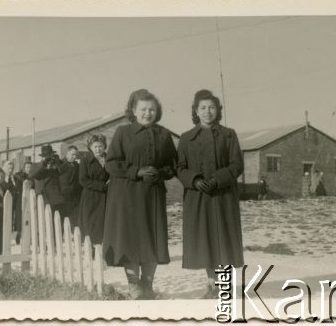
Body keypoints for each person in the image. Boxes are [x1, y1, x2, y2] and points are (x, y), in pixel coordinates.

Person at [103, 89, 177, 299]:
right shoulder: (122, 133)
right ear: (133, 110)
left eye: (152, 109)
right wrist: (136, 171)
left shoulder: (164, 135)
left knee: (152, 240)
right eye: (143, 109)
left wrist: (160, 172)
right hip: (127, 196)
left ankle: (148, 284)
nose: (148, 113)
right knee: (131, 240)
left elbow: (173, 165)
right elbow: (111, 164)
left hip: (152, 195)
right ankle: (134, 285)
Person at [177, 89, 244, 299]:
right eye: (203, 108)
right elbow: (179, 167)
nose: (207, 112)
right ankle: (211, 285)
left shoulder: (228, 134)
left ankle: (224, 287)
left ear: (218, 110)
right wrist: (195, 180)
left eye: (212, 107)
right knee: (205, 239)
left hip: (223, 196)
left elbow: (237, 165)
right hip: (198, 198)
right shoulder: (186, 138)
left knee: (223, 239)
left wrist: (217, 179)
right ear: (196, 111)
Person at [78, 135, 109, 245]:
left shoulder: (110, 159)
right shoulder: (85, 161)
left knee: (106, 222)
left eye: (100, 146)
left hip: (107, 196)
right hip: (91, 196)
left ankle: (105, 249)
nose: (98, 149)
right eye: (95, 146)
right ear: (90, 147)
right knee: (91, 223)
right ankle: (91, 248)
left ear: (104, 146)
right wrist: (102, 186)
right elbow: (83, 180)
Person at [28, 145, 66, 217]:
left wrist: (58, 161)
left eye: (50, 156)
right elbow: (32, 177)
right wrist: (44, 164)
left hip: (55, 200)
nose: (48, 158)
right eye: (46, 156)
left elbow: (63, 171)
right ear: (42, 157)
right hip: (40, 200)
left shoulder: (56, 166)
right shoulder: (35, 166)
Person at [59, 146, 82, 228]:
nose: (75, 157)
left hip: (75, 196)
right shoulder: (60, 164)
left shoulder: (77, 165)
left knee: (75, 218)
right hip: (63, 195)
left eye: (76, 155)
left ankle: (74, 233)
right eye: (73, 154)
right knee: (63, 218)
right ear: (67, 153)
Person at [13, 161, 33, 244]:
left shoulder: (33, 177)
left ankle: (31, 236)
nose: (29, 169)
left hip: (31, 199)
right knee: (20, 217)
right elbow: (16, 178)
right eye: (27, 167)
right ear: (24, 168)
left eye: (30, 167)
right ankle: (19, 234)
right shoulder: (20, 176)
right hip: (21, 199)